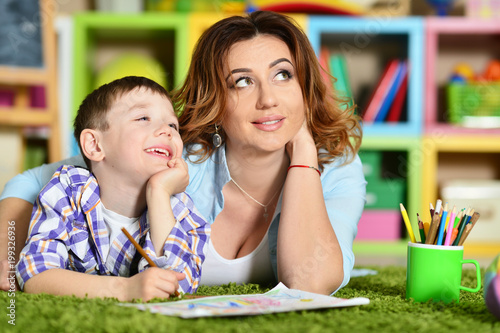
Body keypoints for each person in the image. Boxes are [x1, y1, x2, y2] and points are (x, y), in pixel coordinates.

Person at [0, 10, 365, 296]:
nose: (268, 99)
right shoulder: (179, 156)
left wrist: (303, 146)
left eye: (283, 76)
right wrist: (8, 248)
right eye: (242, 81)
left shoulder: (336, 169)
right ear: (216, 100)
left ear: (304, 85)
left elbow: (311, 283)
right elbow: (30, 182)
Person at [14, 76, 209, 301]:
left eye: (173, 125)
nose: (167, 131)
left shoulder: (181, 210)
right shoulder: (67, 190)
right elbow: (35, 274)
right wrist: (124, 290)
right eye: (143, 117)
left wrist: (159, 192)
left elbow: (178, 288)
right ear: (95, 145)